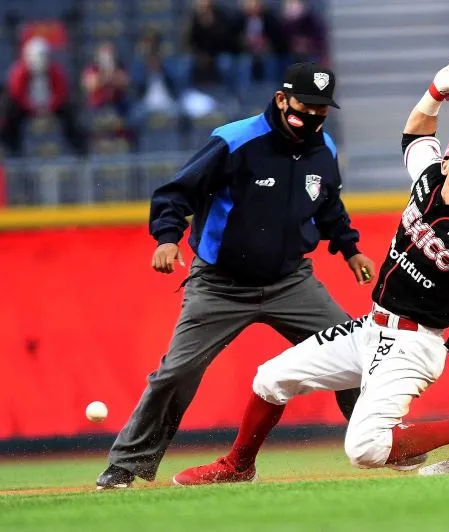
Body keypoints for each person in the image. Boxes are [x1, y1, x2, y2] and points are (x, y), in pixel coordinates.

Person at [170, 51, 449, 485]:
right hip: (370, 327)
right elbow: (415, 132)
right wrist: (436, 92)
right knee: (269, 379)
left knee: (365, 450)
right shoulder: (429, 179)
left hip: (415, 344)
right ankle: (237, 466)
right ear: (446, 163)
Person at [96, 63, 376, 489]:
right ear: (282, 99)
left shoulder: (324, 149)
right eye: (305, 105)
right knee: (178, 372)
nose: (313, 115)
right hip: (219, 285)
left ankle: (379, 443)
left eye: (321, 108)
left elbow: (328, 206)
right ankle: (127, 465)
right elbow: (177, 192)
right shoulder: (235, 140)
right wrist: (167, 238)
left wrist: (350, 248)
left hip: (291, 282)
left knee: (356, 353)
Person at [0, 37, 86, 156]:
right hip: (26, 108)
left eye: (43, 56)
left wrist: (49, 107)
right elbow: (17, 95)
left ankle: (78, 148)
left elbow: (61, 93)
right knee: (9, 110)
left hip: (51, 106)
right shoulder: (18, 72)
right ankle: (13, 148)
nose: (39, 61)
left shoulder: (56, 71)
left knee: (70, 110)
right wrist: (33, 108)